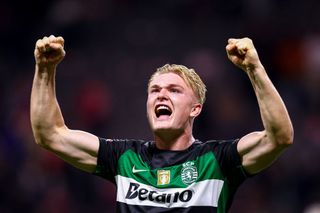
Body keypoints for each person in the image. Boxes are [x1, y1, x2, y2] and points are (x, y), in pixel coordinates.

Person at [30, 35, 294, 212]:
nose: (161, 94)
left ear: (196, 109)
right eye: (154, 90)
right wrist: (45, 68)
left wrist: (254, 69)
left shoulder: (217, 160)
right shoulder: (124, 158)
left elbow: (279, 137)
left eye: (174, 90)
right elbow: (50, 134)